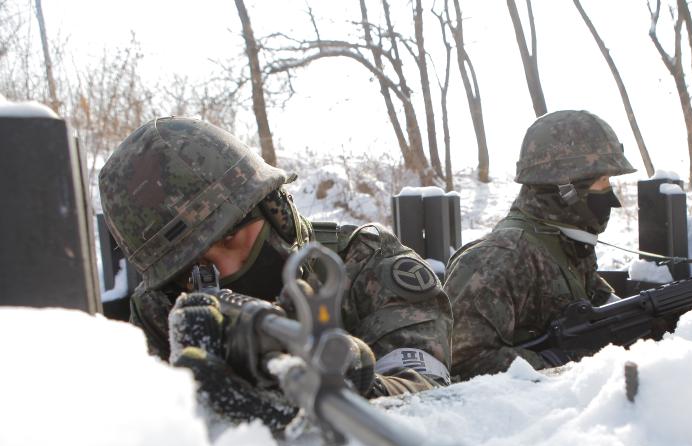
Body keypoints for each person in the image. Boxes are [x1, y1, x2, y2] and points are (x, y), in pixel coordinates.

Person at [99, 117, 452, 422]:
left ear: (273, 209)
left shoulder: (368, 264)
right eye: (195, 267)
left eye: (232, 238)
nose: (227, 271)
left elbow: (429, 400)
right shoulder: (163, 308)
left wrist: (356, 385)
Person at [444, 110, 636, 380]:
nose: (611, 198)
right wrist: (558, 364)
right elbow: (461, 360)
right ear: (566, 188)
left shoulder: (568, 245)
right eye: (602, 181)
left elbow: (603, 308)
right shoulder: (495, 261)